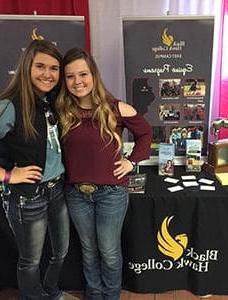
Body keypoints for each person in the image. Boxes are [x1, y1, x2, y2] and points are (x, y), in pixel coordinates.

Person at [0, 40, 76, 300]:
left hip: (56, 191)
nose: (48, 74)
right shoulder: (8, 107)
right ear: (26, 68)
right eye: (40, 66)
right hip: (26, 197)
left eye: (54, 68)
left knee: (60, 252)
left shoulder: (50, 101)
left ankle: (52, 293)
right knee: (30, 261)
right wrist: (8, 175)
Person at [56, 48, 152, 300]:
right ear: (64, 81)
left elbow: (146, 133)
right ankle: (94, 294)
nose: (78, 81)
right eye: (70, 76)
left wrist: (132, 162)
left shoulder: (116, 107)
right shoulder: (61, 110)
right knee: (88, 250)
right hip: (76, 194)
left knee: (108, 251)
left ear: (93, 75)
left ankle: (111, 296)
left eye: (83, 74)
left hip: (112, 194)